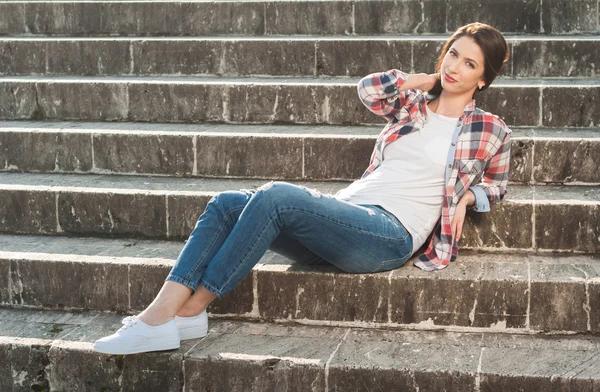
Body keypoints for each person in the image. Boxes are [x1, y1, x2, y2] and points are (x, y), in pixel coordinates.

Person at [94, 22, 512, 355]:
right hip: (346, 216)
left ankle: (176, 312)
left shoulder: (489, 129)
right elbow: (367, 91)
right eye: (453, 54)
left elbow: (497, 184)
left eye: (470, 64)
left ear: (483, 79)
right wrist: (416, 81)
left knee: (276, 195)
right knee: (225, 204)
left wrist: (469, 197)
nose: (455, 67)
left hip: (388, 235)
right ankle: (177, 318)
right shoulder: (414, 106)